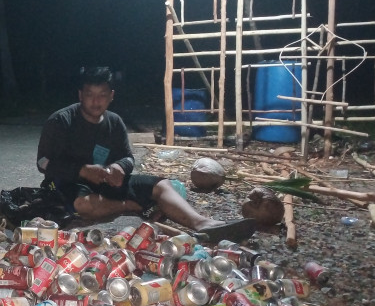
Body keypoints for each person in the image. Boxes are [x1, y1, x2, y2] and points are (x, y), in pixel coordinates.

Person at [37, 66, 255, 240]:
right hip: (69, 183)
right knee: (82, 205)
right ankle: (129, 206)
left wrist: (120, 167)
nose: (96, 101)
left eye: (102, 95)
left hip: (107, 182)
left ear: (111, 96)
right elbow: (43, 162)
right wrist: (83, 171)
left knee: (161, 184)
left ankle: (203, 224)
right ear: (80, 95)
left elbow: (128, 157)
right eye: (90, 95)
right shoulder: (61, 120)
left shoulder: (114, 122)